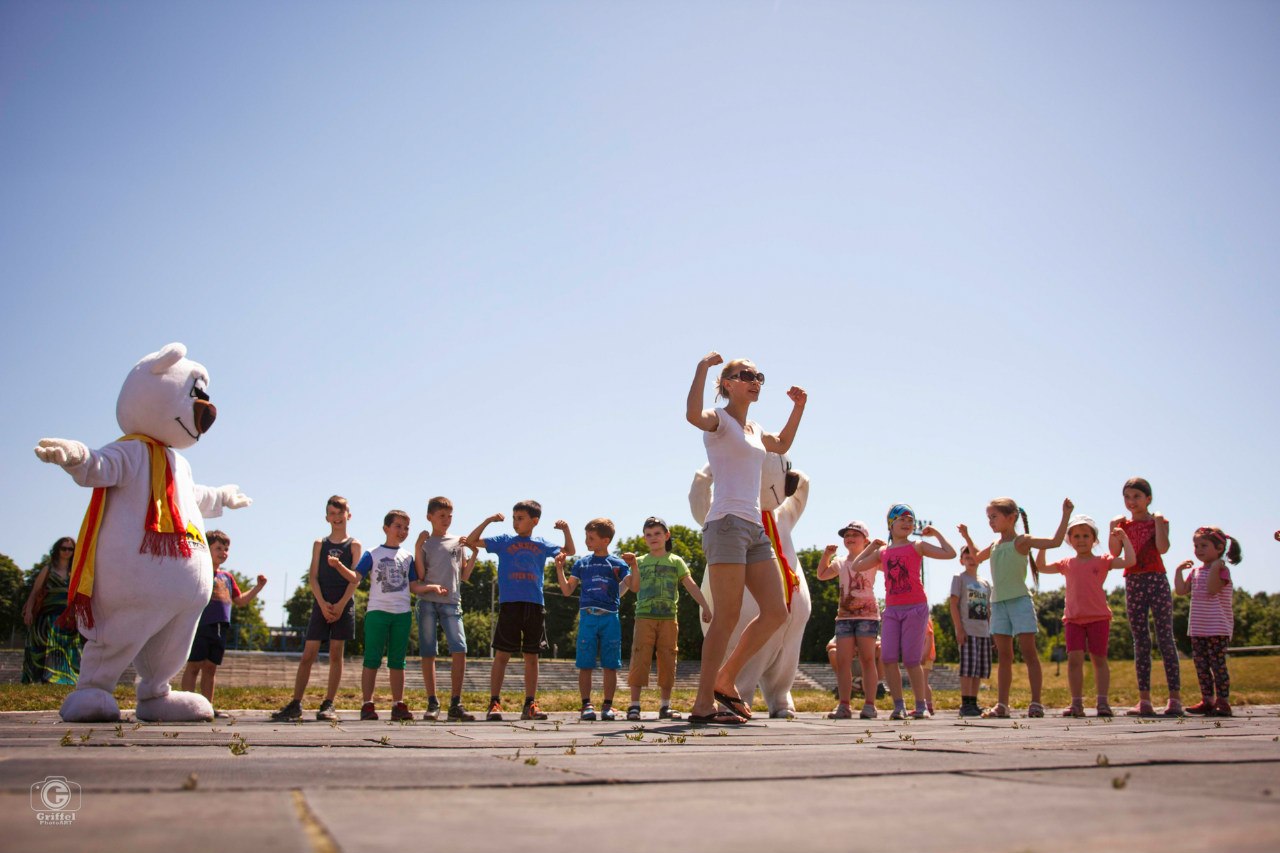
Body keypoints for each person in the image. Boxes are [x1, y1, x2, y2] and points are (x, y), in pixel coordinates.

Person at [685, 352, 806, 725]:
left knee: (776, 612)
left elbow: (782, 444)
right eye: (745, 375)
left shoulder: (754, 430)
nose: (755, 380)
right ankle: (703, 703)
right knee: (727, 616)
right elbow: (692, 415)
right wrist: (702, 369)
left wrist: (799, 407)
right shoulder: (718, 421)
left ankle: (726, 678)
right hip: (725, 525)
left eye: (758, 376)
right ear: (727, 385)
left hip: (754, 528)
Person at [959, 496, 1072, 718]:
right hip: (998, 604)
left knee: (1029, 653)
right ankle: (1002, 705)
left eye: (994, 517)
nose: (990, 522)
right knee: (1004, 657)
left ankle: (1036, 703)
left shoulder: (1022, 541)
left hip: (1019, 601)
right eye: (988, 518)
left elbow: (1055, 541)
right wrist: (966, 536)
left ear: (1011, 518)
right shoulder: (993, 546)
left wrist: (1066, 514)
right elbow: (976, 557)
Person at [466, 500, 575, 721]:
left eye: (520, 518)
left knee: (532, 656)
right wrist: (488, 520)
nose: (516, 522)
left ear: (534, 521)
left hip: (534, 604)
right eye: (514, 517)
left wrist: (565, 530)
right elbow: (471, 541)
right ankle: (494, 703)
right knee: (502, 654)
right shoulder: (504, 541)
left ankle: (529, 704)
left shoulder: (542, 543)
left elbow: (569, 551)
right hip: (510, 604)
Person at [847, 505, 956, 719]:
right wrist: (871, 548)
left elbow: (950, 554)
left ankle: (921, 705)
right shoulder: (883, 552)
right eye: (902, 519)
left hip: (915, 608)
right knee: (887, 658)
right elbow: (857, 565)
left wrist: (936, 534)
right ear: (891, 524)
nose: (907, 523)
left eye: (910, 520)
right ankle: (899, 706)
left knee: (911, 660)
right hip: (892, 610)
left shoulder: (918, 546)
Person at [272, 496, 362, 722]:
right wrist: (322, 604)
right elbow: (313, 577)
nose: (337, 517)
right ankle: (295, 703)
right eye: (332, 513)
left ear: (348, 515)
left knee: (335, 655)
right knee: (308, 655)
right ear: (326, 517)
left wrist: (340, 605)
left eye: (341, 513)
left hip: (343, 603)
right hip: (322, 603)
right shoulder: (319, 544)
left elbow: (356, 578)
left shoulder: (354, 545)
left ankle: (329, 703)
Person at [1034, 516, 1135, 718]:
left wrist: (1124, 539)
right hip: (1073, 619)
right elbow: (1041, 567)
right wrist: (1044, 545)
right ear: (1070, 540)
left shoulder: (1103, 560)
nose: (1081, 540)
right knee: (1074, 660)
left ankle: (1103, 703)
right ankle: (1076, 703)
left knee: (1099, 659)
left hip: (1098, 617)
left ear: (1094, 539)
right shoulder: (1066, 563)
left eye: (1086, 536)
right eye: (1076, 536)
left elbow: (1130, 561)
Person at [622, 516, 711, 722]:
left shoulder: (676, 561)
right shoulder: (640, 562)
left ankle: (665, 705)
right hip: (644, 617)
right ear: (644, 538)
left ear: (666, 536)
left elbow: (690, 585)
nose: (653, 538)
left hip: (669, 618)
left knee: (668, 659)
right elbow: (626, 585)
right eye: (648, 535)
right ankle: (634, 705)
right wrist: (610, 600)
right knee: (639, 657)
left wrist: (705, 605)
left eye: (657, 534)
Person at [1109, 477, 1183, 717]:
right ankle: (1145, 700)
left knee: (1165, 638)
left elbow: (1162, 548)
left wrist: (1159, 522)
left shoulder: (1158, 521)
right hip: (1133, 581)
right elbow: (1113, 552)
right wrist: (1114, 530)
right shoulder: (1123, 525)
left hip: (1156, 580)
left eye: (1137, 497)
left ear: (1148, 499)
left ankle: (1174, 699)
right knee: (1140, 640)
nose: (1132, 502)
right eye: (1127, 497)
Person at [343, 509, 419, 721]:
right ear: (385, 528)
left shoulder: (408, 557)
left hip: (402, 613)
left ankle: (398, 704)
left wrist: (432, 587)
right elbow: (355, 577)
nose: (402, 531)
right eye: (398, 526)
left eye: (406, 528)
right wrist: (338, 565)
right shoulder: (372, 553)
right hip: (377, 612)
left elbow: (413, 585)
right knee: (372, 658)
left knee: (398, 660)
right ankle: (367, 704)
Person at [180, 530, 266, 716]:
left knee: (211, 668)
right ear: (206, 549)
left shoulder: (226, 577)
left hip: (220, 627)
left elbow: (240, 600)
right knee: (194, 665)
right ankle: (186, 705)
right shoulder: (198, 572)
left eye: (226, 549)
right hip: (201, 624)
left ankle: (207, 707)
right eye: (218, 548)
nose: (223, 552)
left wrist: (257, 587)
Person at [555, 518, 629, 721]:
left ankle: (608, 705)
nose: (587, 541)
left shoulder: (617, 563)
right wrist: (559, 569)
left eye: (591, 538)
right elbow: (567, 590)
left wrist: (633, 567)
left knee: (610, 664)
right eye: (586, 537)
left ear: (605, 540)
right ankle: (586, 704)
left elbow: (633, 584)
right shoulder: (582, 563)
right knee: (585, 663)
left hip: (610, 617)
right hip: (588, 616)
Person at [411, 497, 477, 722]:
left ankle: (455, 702)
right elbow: (420, 574)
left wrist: (474, 553)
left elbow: (465, 575)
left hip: (452, 601)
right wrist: (418, 546)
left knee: (460, 648)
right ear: (430, 517)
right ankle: (432, 701)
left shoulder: (458, 542)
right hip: (427, 601)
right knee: (428, 651)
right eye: (441, 516)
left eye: (450, 516)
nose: (446, 520)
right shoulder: (426, 543)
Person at [816, 520, 880, 720]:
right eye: (846, 536)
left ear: (865, 540)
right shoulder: (841, 561)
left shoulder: (873, 559)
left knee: (868, 660)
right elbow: (822, 574)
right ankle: (844, 705)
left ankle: (870, 705)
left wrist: (879, 547)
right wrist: (826, 555)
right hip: (844, 616)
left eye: (855, 535)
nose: (850, 538)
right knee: (843, 661)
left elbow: (892, 563)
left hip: (867, 615)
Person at [1174, 527, 1241, 717]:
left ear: (1219, 548)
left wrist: (1216, 566)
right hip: (1198, 628)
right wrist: (1179, 571)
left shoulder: (1222, 570)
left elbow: (1212, 589)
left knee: (1217, 665)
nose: (1198, 550)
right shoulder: (1195, 571)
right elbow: (1180, 590)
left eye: (1204, 545)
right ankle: (1207, 700)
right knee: (1201, 667)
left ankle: (1223, 701)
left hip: (1217, 628)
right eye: (1196, 546)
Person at [21, 537, 84, 684]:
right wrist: (29, 611)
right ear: (57, 549)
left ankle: (64, 681)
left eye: (70, 549)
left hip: (67, 617)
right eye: (64, 548)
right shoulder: (47, 569)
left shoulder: (75, 571)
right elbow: (35, 591)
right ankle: (39, 680)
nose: (67, 552)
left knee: (67, 649)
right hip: (47, 616)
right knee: (42, 648)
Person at [949, 545, 992, 717]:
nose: (970, 558)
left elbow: (988, 608)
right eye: (966, 556)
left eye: (973, 554)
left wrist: (991, 631)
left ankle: (974, 701)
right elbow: (953, 604)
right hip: (968, 629)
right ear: (962, 560)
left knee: (978, 669)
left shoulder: (986, 583)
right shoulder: (959, 578)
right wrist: (959, 628)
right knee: (967, 669)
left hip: (983, 631)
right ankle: (965, 702)